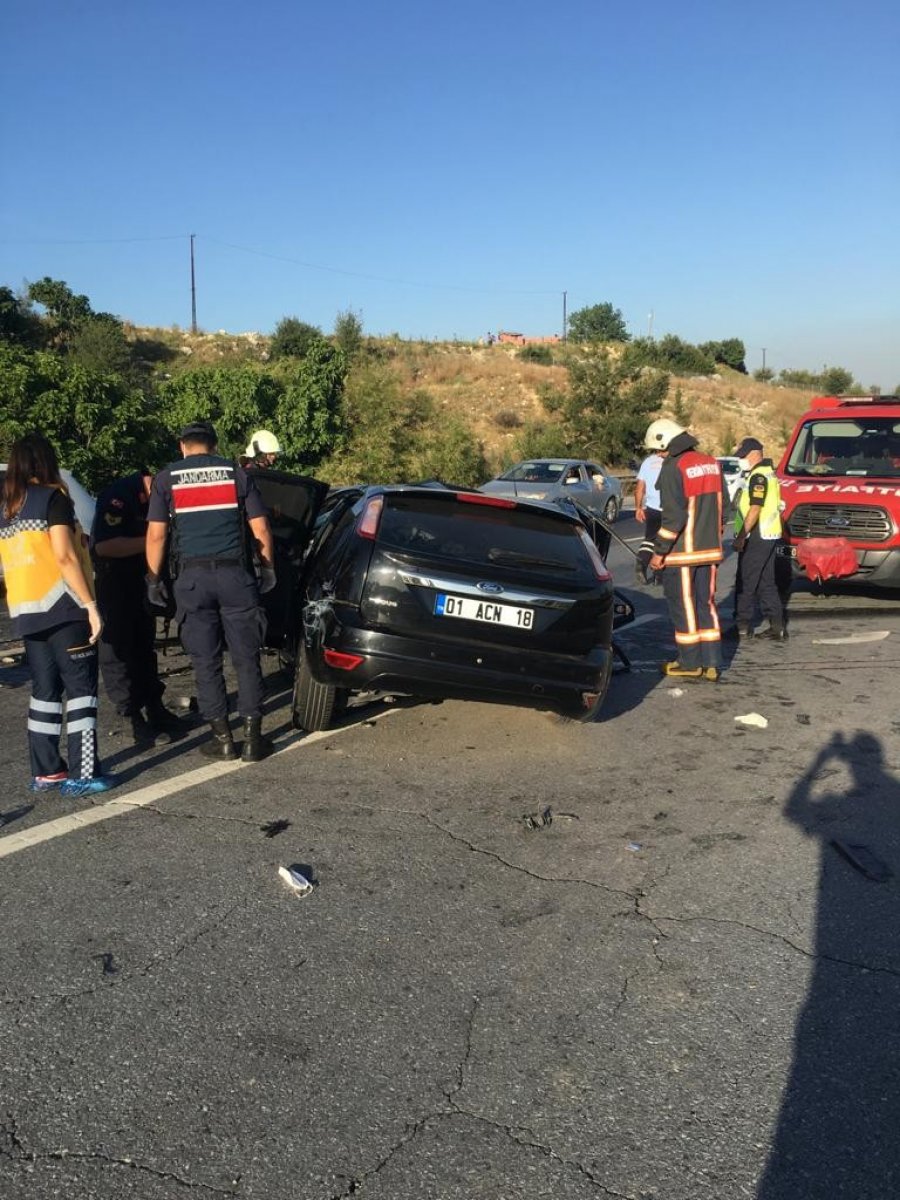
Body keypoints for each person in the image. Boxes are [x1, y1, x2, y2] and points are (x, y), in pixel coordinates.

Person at [145, 421, 277, 762]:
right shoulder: (235, 473)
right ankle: (252, 739)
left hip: (192, 581)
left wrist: (153, 579)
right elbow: (260, 527)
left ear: (182, 446)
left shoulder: (166, 478)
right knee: (246, 658)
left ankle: (222, 739)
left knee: (206, 662)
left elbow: (157, 536)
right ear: (214, 445)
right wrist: (268, 568)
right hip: (236, 577)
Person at [0, 434, 116, 795]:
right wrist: (91, 606)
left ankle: (47, 770)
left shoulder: (8, 510)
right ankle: (82, 774)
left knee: (44, 692)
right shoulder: (53, 499)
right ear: (46, 461)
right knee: (81, 690)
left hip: (28, 610)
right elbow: (64, 557)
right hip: (64, 608)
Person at [91, 468, 186, 746]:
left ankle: (154, 706)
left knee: (144, 645)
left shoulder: (154, 496)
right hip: (115, 582)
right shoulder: (118, 497)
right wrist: (155, 541)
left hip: (141, 580)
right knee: (118, 649)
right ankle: (131, 716)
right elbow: (104, 546)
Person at [648, 425, 725, 681]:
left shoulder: (674, 467)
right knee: (707, 603)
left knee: (684, 606)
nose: (659, 456)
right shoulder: (711, 463)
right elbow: (725, 508)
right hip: (710, 550)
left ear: (667, 443)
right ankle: (712, 663)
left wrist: (658, 553)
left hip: (682, 555)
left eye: (659, 451)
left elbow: (673, 518)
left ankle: (690, 662)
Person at [731, 436, 786, 641]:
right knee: (766, 582)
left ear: (755, 454)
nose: (741, 460)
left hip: (757, 534)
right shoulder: (767, 473)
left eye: (743, 456)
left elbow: (755, 508)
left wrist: (741, 536)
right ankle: (777, 626)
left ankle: (742, 627)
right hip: (769, 533)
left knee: (747, 580)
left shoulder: (758, 477)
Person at [634, 419, 678, 585]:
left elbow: (639, 488)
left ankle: (641, 563)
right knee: (667, 541)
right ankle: (659, 574)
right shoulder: (673, 461)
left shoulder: (647, 462)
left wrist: (638, 508)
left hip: (652, 508)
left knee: (650, 539)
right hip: (669, 509)